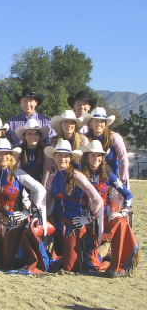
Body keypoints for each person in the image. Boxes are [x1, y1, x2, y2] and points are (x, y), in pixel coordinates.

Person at [0, 138, 50, 273]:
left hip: (14, 221)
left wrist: (30, 212)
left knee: (7, 263)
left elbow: (40, 190)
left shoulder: (18, 174)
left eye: (6, 154)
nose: (3, 157)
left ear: (11, 156)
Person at [44, 139, 104, 272]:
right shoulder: (52, 178)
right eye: (59, 155)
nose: (62, 159)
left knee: (70, 266)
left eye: (65, 156)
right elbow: (45, 200)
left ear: (70, 158)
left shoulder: (77, 176)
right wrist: (44, 218)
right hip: (58, 222)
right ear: (54, 157)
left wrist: (88, 218)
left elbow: (97, 199)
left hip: (76, 224)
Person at [80, 140, 138, 277]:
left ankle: (117, 264)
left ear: (102, 157)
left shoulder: (108, 175)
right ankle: (106, 252)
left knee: (121, 223)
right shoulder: (80, 173)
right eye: (92, 155)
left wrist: (123, 211)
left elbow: (128, 194)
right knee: (89, 264)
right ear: (87, 157)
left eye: (98, 155)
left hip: (103, 219)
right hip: (84, 221)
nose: (96, 158)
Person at [83, 107, 129, 187]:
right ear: (91, 123)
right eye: (96, 120)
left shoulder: (114, 138)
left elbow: (123, 159)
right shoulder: (85, 138)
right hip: (91, 180)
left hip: (113, 179)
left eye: (101, 121)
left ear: (105, 124)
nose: (99, 124)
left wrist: (123, 180)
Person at [13, 118, 51, 185]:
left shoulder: (45, 151)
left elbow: (46, 173)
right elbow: (18, 173)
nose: (33, 136)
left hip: (40, 184)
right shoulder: (19, 151)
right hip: (22, 183)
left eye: (36, 134)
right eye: (29, 134)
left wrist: (43, 187)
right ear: (25, 136)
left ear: (39, 136)